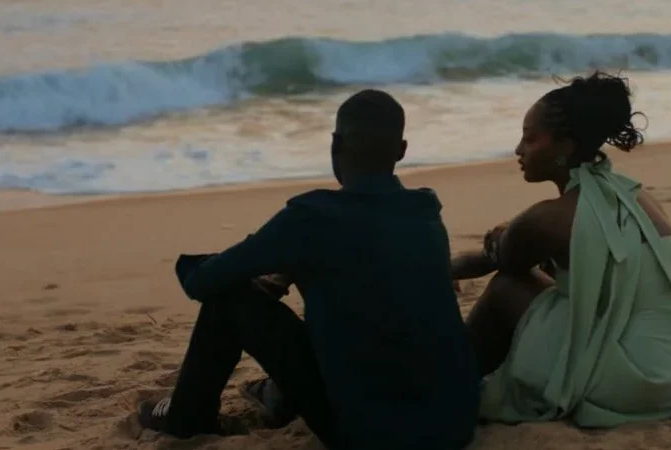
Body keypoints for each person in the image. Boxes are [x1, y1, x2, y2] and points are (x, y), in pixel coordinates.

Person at [136, 89, 480, 450]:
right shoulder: (425, 212)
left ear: (335, 144)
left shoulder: (311, 219)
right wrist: (291, 267)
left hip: (370, 434)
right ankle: (277, 399)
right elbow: (368, 262)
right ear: (402, 150)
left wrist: (253, 273)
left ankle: (185, 417)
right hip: (453, 423)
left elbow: (202, 282)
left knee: (228, 302)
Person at [451, 71, 671, 427]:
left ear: (565, 146)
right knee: (555, 291)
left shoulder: (545, 219)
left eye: (530, 138)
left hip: (652, 375)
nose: (518, 149)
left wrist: (449, 267)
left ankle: (451, 381)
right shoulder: (637, 195)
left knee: (505, 288)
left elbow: (500, 262)